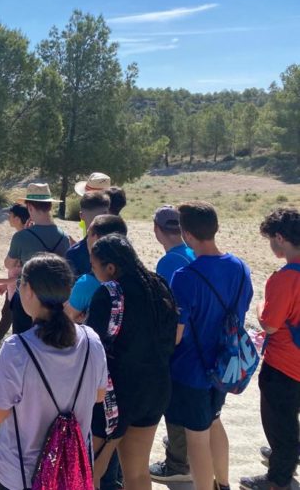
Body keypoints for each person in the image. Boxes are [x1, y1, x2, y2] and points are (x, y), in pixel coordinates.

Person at [0, 253, 108, 490]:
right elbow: (99, 396)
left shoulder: (17, 349)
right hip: (71, 474)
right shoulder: (91, 340)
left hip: (21, 476)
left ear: (28, 290)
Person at [164, 201, 253, 490]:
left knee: (196, 439)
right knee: (215, 422)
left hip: (192, 370)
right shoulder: (241, 267)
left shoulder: (185, 277)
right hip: (225, 364)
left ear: (187, 235)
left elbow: (177, 334)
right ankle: (223, 484)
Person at [86, 234, 178, 490]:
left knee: (90, 471)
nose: (93, 272)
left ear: (111, 267)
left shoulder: (110, 293)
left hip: (117, 395)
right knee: (137, 473)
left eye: (94, 266)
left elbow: (93, 347)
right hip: (156, 388)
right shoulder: (158, 285)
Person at [239, 209, 300, 490]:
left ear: (280, 237)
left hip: (285, 364)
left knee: (280, 422)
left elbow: (271, 325)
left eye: (271, 240)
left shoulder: (285, 278)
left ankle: (278, 478)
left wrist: (262, 306)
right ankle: (285, 456)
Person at [148, 205, 196, 484]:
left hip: (179, 344)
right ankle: (185, 446)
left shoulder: (167, 263)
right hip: (198, 340)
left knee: (175, 402)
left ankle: (177, 462)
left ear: (157, 230)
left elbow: (167, 311)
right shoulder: (190, 252)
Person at [5, 183, 70, 335]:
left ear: (30, 208)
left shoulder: (21, 237)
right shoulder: (64, 237)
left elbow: (9, 264)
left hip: (27, 297)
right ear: (49, 207)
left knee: (23, 342)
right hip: (55, 298)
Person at [0, 204, 30, 347]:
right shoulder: (24, 236)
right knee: (7, 313)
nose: (8, 217)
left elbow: (23, 275)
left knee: (12, 315)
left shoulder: (23, 238)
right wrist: (5, 284)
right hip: (14, 286)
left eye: (10, 215)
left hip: (20, 288)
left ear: (17, 218)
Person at [65, 215, 128, 324]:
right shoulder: (135, 275)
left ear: (96, 238)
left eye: (88, 234)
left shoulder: (87, 283)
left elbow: (67, 318)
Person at [66, 191, 111, 277]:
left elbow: (72, 288)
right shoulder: (119, 248)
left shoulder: (73, 253)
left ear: (81, 215)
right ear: (107, 214)